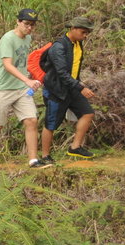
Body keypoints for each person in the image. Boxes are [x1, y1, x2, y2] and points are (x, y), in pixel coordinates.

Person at [0, 9, 47, 168]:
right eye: (26, 24)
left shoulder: (27, 39)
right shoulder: (8, 39)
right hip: (3, 89)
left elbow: (23, 62)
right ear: (18, 22)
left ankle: (33, 160)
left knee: (31, 120)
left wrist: (32, 78)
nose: (29, 28)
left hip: (21, 89)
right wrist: (27, 80)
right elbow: (7, 65)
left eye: (32, 25)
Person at [40, 17, 97, 162]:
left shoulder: (77, 44)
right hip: (57, 90)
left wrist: (77, 85)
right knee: (51, 124)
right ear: (72, 28)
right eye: (83, 32)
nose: (85, 36)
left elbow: (73, 69)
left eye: (87, 33)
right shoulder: (59, 47)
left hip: (71, 87)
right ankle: (45, 156)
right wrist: (81, 87)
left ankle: (75, 147)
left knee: (88, 113)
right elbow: (62, 73)